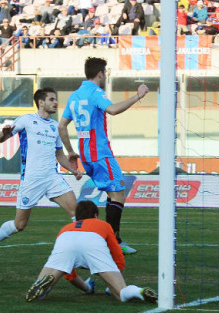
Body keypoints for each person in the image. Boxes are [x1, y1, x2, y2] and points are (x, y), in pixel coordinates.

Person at [59, 57, 148, 255]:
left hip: (86, 154)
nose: (105, 76)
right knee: (119, 193)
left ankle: (109, 239)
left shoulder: (74, 95)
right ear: (100, 74)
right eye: (105, 73)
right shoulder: (95, 92)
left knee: (112, 193)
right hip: (100, 153)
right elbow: (113, 110)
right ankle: (113, 241)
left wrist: (70, 150)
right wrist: (138, 96)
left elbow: (62, 125)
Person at [0, 88, 83, 265]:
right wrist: (5, 133)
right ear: (41, 102)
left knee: (77, 212)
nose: (56, 102)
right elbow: (0, 139)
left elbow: (60, 155)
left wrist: (73, 170)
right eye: (52, 99)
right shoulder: (26, 120)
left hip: (52, 178)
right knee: (19, 225)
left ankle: (80, 254)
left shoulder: (56, 127)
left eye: (56, 99)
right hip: (31, 180)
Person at [25, 201, 157, 304]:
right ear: (96, 216)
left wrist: (86, 289)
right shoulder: (103, 224)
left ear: (77, 217)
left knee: (43, 289)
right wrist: (114, 280)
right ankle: (138, 292)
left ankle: (42, 286)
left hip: (66, 241)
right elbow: (117, 255)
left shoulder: (65, 228)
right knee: (121, 293)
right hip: (93, 243)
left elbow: (69, 274)